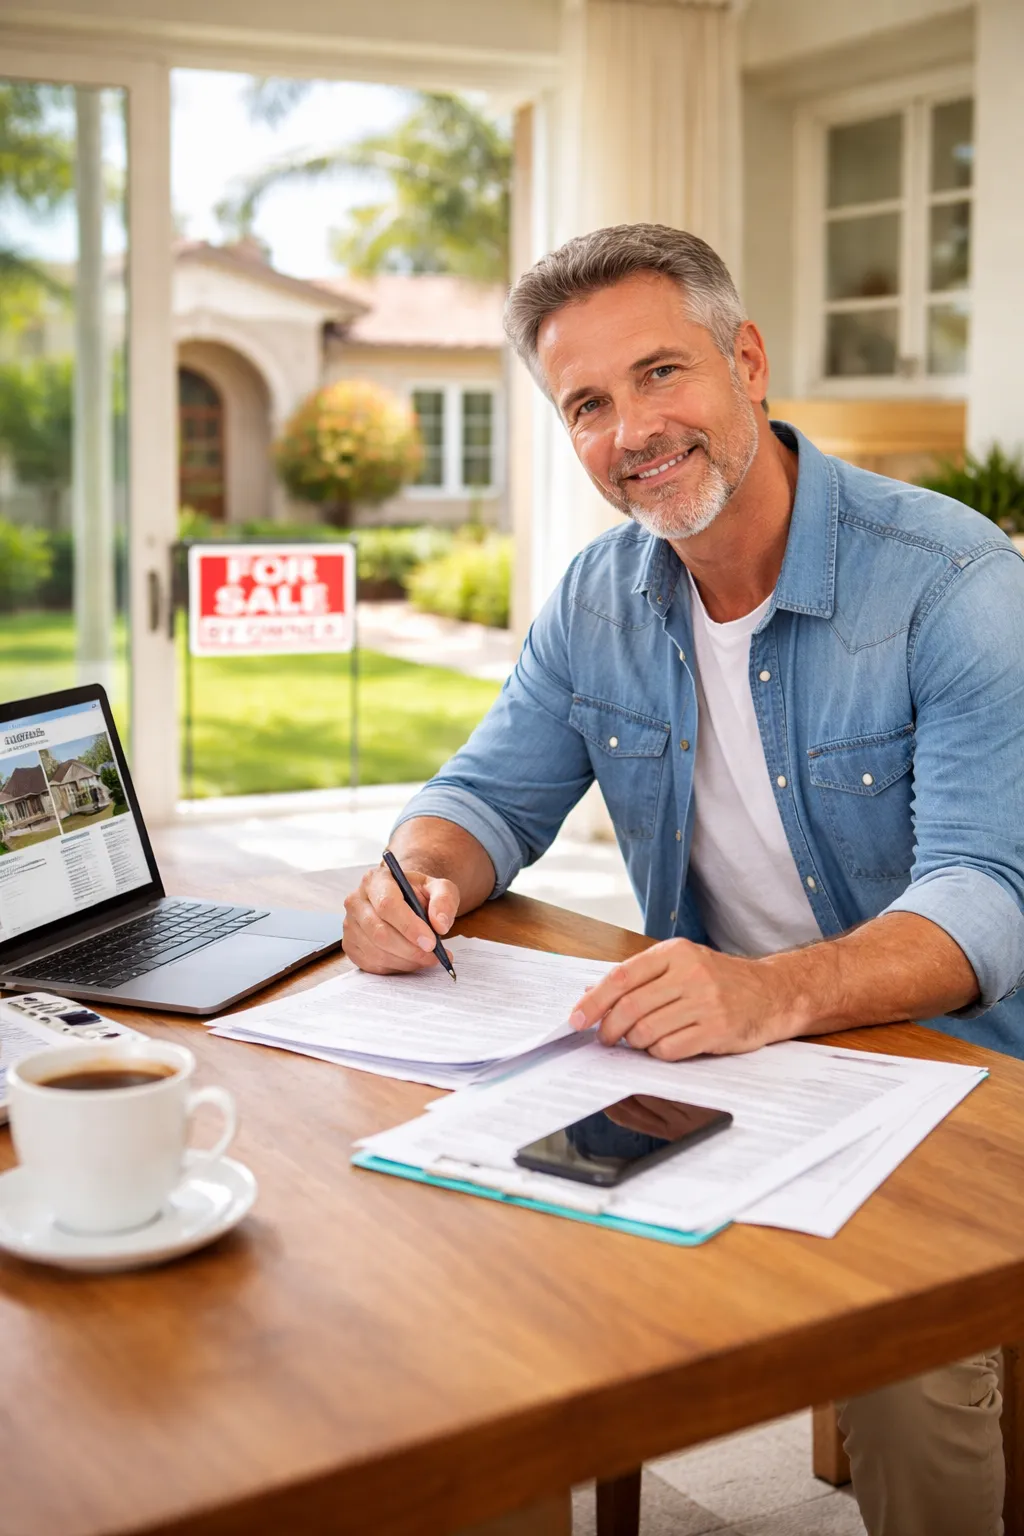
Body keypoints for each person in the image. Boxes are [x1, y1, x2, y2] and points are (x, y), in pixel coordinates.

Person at [343, 223, 1021, 1536]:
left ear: (747, 363)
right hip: (704, 1066)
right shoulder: (599, 595)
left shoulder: (953, 581)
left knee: (912, 1381)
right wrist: (414, 877)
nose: (633, 428)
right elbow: (485, 799)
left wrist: (768, 995)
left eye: (662, 374)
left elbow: (990, 892)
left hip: (953, 1077)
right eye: (588, 403)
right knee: (474, 1319)